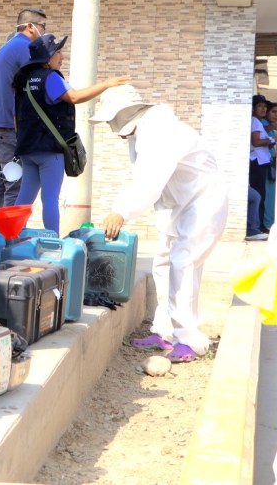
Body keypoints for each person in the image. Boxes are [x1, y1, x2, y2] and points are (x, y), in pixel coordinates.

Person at [92, 85, 229, 363]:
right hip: (180, 203)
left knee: (184, 263)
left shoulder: (159, 131)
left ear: (123, 115)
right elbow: (148, 180)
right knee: (164, 261)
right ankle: (165, 331)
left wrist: (120, 211)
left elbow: (150, 182)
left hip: (202, 202)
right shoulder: (143, 131)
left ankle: (189, 340)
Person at [12, 34, 128, 233]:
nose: (62, 56)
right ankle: (53, 241)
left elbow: (16, 118)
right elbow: (74, 97)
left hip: (27, 148)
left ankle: (11, 236)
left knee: (24, 198)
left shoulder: (23, 80)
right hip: (49, 150)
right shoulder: (51, 78)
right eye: (58, 52)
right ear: (48, 58)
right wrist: (106, 84)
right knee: (49, 198)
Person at [0, 8, 49, 227]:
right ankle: (6, 237)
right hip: (9, 130)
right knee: (14, 184)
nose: (44, 32)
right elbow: (40, 84)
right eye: (42, 27)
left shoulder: (6, 48)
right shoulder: (24, 48)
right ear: (30, 26)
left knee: (1, 181)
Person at [250, 94, 275, 233]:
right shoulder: (254, 121)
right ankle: (256, 227)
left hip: (262, 163)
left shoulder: (258, 122)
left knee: (262, 195)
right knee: (258, 196)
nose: (263, 109)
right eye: (260, 106)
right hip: (257, 163)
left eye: (265, 107)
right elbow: (256, 142)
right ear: (253, 109)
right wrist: (272, 139)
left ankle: (259, 226)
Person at [264, 102, 277, 229]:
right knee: (266, 195)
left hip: (272, 164)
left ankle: (270, 223)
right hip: (263, 164)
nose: (276, 115)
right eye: (273, 112)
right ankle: (266, 223)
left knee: (272, 195)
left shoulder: (273, 128)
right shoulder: (264, 125)